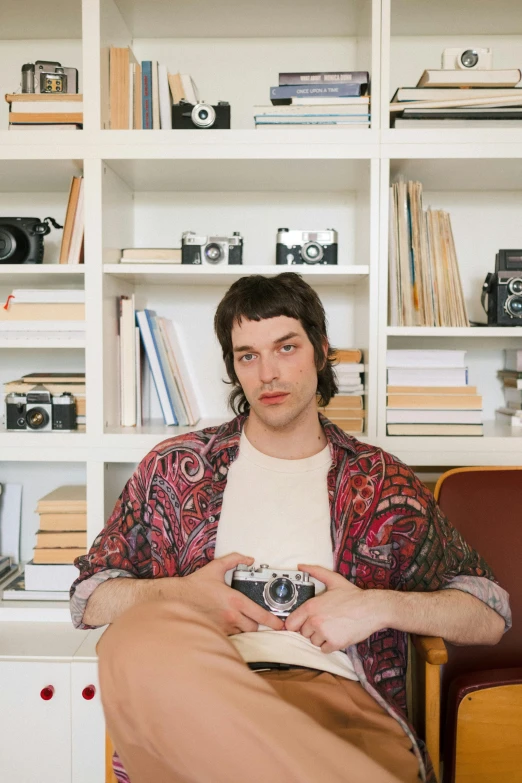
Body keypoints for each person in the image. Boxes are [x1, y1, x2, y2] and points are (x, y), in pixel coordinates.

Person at [71, 272, 511, 783]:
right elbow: (89, 598)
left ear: (321, 352)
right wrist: (186, 598)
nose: (268, 374)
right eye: (248, 356)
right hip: (204, 692)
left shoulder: (380, 481)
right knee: (136, 638)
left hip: (337, 702)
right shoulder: (175, 469)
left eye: (286, 347)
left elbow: (490, 613)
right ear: (234, 368)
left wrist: (376, 607)